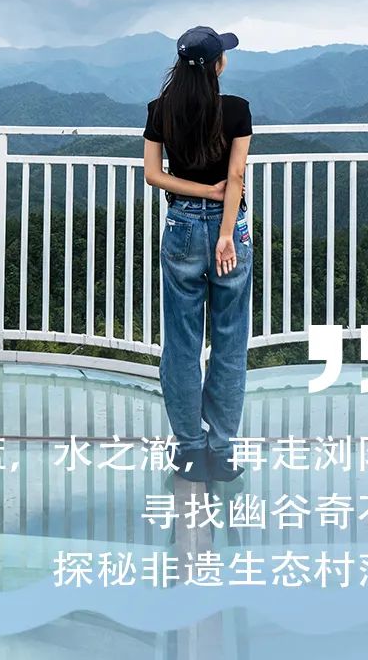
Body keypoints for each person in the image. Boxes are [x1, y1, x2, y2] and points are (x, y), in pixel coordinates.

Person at [143, 24, 253, 484]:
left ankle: (189, 450)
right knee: (229, 342)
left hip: (182, 228)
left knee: (182, 344)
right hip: (230, 231)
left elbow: (154, 175)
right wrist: (226, 233)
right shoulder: (236, 111)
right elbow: (237, 177)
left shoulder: (160, 110)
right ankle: (221, 452)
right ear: (217, 65)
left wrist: (199, 191)